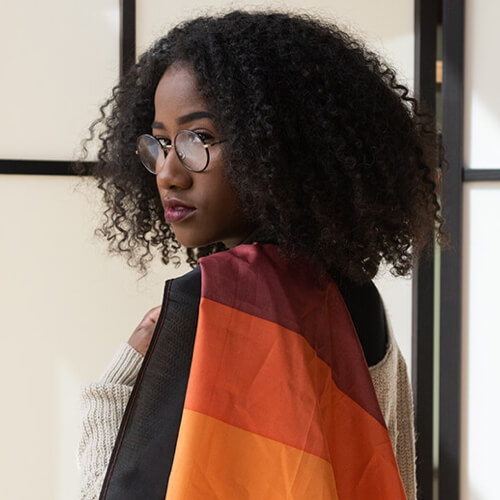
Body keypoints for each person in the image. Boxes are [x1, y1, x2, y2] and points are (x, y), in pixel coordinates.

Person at [77, 10, 445, 500]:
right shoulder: (356, 295)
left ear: (278, 143)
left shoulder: (217, 302)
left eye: (199, 138)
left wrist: (111, 392)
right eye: (162, 143)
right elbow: (393, 476)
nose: (168, 172)